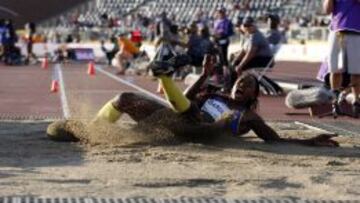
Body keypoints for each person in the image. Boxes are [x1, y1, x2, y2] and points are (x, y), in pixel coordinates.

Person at [91, 55, 339, 147]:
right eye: (240, 82)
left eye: (248, 85)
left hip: (202, 133)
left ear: (253, 95)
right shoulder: (212, 94)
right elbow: (183, 103)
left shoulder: (249, 117)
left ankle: (165, 78)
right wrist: (203, 77)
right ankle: (91, 129)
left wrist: (310, 141)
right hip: (174, 120)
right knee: (124, 98)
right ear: (231, 85)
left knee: (217, 117)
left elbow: (275, 140)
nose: (242, 85)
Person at [323, 0, 360, 118]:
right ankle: (335, 103)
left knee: (356, 70)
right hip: (337, 30)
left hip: (357, 30)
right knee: (335, 69)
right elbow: (327, 10)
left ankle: (356, 102)